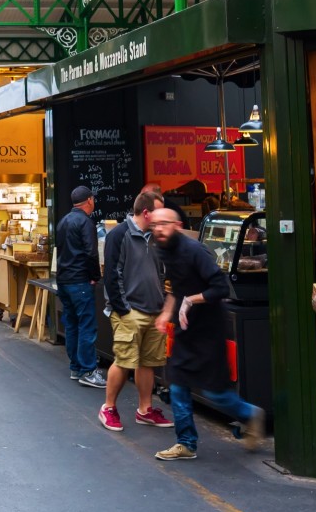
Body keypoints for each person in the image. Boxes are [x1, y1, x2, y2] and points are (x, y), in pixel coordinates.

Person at [150, 207, 264, 457]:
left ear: (177, 225)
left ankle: (250, 414)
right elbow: (175, 288)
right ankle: (186, 443)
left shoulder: (194, 251)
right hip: (185, 329)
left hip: (209, 331)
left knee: (215, 392)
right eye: (154, 225)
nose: (158, 229)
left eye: (164, 224)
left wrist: (191, 300)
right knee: (177, 385)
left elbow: (221, 287)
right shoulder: (164, 249)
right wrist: (166, 314)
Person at [98, 190, 170, 433]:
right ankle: (108, 408)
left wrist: (162, 303)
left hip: (153, 309)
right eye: (159, 212)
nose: (162, 217)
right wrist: (124, 309)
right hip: (129, 310)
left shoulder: (156, 236)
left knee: (148, 362)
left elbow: (160, 271)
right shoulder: (120, 234)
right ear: (147, 212)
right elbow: (111, 275)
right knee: (124, 360)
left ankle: (145, 410)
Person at [54, 186, 107, 388]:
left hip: (64, 280)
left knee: (72, 324)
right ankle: (88, 370)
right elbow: (91, 253)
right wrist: (95, 276)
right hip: (80, 281)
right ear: (90, 200)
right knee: (86, 325)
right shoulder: (85, 222)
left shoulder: (63, 221)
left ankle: (76, 367)